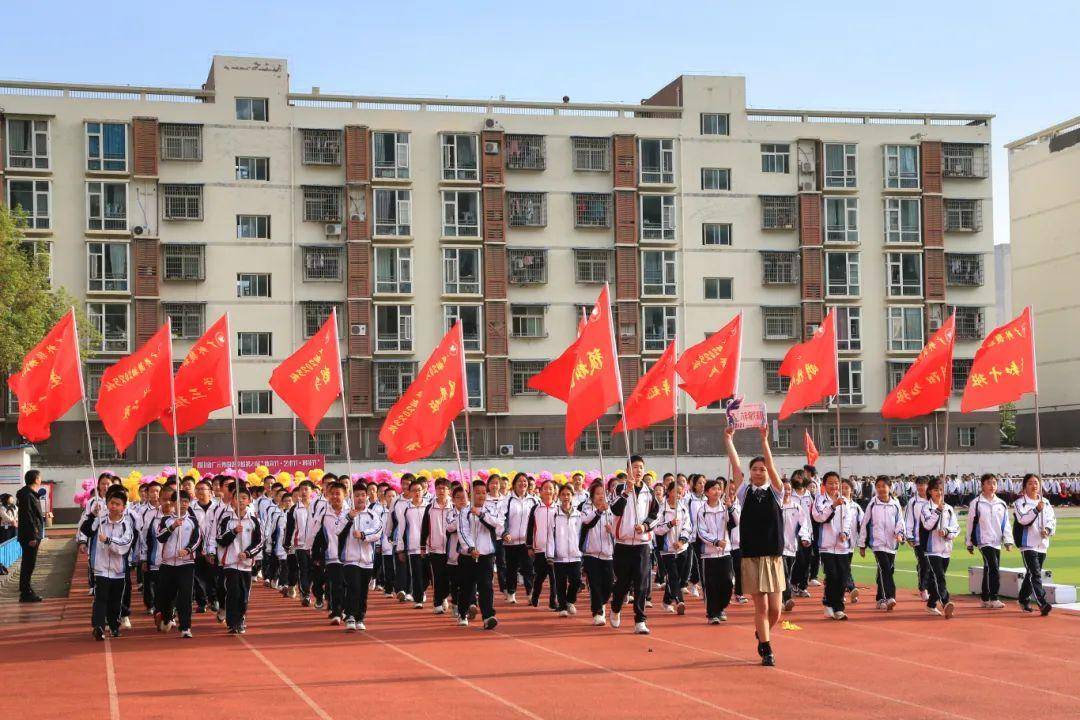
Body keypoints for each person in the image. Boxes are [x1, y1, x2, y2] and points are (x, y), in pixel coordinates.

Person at [724, 425, 785, 666]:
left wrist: (764, 440)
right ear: (750, 473)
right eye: (755, 469)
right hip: (751, 555)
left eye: (762, 469)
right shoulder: (743, 491)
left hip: (774, 556)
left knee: (776, 610)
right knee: (760, 607)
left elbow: (770, 463)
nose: (759, 472)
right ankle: (767, 648)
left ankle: (762, 633)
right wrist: (728, 439)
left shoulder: (778, 492)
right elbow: (735, 464)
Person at [609, 455, 661, 635]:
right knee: (622, 583)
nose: (638, 471)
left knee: (641, 583)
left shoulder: (649, 492)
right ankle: (615, 608)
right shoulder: (619, 489)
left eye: (641, 467)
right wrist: (626, 492)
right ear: (628, 469)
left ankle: (640, 620)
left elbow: (656, 515)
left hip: (642, 544)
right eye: (635, 467)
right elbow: (614, 510)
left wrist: (645, 526)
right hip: (622, 543)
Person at [81, 486, 135, 640]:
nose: (114, 506)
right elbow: (86, 530)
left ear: (123, 507)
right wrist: (92, 514)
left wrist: (109, 541)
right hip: (101, 567)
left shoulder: (126, 525)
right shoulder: (100, 520)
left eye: (118, 504)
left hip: (118, 569)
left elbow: (124, 545)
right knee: (101, 598)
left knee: (116, 600)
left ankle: (114, 625)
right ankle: (98, 626)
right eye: (111, 503)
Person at [456, 479, 503, 630]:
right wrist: (470, 548)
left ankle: (488, 616)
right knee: (466, 587)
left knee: (486, 586)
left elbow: (497, 524)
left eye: (483, 492)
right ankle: (462, 613)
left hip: (486, 555)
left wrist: (481, 514)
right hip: (468, 556)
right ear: (470, 494)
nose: (481, 496)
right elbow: (463, 532)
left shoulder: (489, 509)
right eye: (477, 493)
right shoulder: (464, 511)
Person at [154, 488, 200, 638]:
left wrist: (187, 550)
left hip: (186, 564)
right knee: (167, 596)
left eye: (186, 502)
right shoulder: (165, 520)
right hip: (168, 564)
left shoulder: (193, 521)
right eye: (180, 502)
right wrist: (173, 526)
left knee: (185, 597)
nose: (183, 504)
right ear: (173, 503)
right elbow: (160, 537)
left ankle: (185, 627)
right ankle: (167, 617)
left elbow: (197, 540)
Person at [217, 486, 263, 634]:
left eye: (244, 498)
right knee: (233, 592)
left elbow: (259, 543)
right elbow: (220, 539)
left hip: (246, 564)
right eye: (238, 498)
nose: (241, 501)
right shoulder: (226, 519)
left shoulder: (254, 521)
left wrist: (248, 553)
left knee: (243, 595)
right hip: (230, 562)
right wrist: (233, 532)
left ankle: (241, 618)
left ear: (249, 500)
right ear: (233, 500)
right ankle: (232, 623)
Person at [339, 483, 383, 631]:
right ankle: (350, 616)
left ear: (367, 496)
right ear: (352, 497)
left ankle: (360, 617)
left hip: (367, 560)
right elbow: (337, 530)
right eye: (356, 495)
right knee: (353, 587)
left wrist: (363, 535)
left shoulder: (372, 515)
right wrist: (349, 518)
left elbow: (377, 531)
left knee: (363, 591)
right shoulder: (346, 513)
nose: (360, 498)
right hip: (350, 558)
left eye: (362, 495)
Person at [812, 472, 856, 621]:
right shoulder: (820, 500)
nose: (834, 486)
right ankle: (829, 604)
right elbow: (818, 517)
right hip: (827, 545)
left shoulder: (844, 501)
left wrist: (845, 533)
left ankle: (838, 608)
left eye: (836, 483)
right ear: (824, 485)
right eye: (830, 483)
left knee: (843, 577)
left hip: (842, 546)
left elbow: (848, 520)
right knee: (832, 575)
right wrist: (832, 505)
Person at [857, 476, 905, 611]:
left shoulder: (895, 503)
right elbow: (865, 523)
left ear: (890, 487)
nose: (881, 489)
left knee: (887, 570)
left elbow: (900, 521)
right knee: (885, 568)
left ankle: (879, 598)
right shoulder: (873, 504)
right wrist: (862, 544)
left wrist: (900, 534)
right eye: (878, 486)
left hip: (892, 543)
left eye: (884, 486)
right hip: (877, 543)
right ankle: (888, 597)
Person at [695, 478, 738, 624]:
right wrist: (715, 542)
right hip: (709, 554)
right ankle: (712, 613)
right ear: (707, 492)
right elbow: (701, 532)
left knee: (727, 582)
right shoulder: (702, 511)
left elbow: (736, 522)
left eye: (719, 489)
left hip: (725, 553)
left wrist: (730, 508)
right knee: (711, 584)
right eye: (713, 489)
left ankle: (721, 607)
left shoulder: (725, 508)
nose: (717, 491)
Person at [966, 473, 1012, 610]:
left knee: (990, 567)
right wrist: (969, 542)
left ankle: (985, 598)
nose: (992, 486)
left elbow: (1006, 524)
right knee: (993, 566)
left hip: (996, 541)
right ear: (982, 486)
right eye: (989, 483)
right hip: (983, 540)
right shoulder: (976, 503)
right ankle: (994, 597)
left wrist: (1008, 541)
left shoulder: (1001, 504)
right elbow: (970, 523)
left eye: (994, 483)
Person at [1014, 473, 1055, 615]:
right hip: (1028, 543)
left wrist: (1048, 530)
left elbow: (1052, 520)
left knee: (1031, 574)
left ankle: (1023, 598)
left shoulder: (1046, 502)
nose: (1034, 485)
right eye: (1030, 483)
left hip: (1042, 544)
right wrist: (1037, 509)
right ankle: (1042, 603)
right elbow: (1023, 520)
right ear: (1025, 486)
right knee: (1035, 573)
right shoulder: (1020, 503)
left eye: (1036, 483)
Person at [920, 477, 959, 619]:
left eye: (941, 490)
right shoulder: (926, 508)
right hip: (931, 549)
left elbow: (956, 528)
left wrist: (947, 531)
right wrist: (937, 511)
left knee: (937, 579)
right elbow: (928, 525)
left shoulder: (949, 508)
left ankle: (931, 604)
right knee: (939, 577)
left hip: (946, 549)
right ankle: (946, 602)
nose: (939, 493)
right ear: (930, 491)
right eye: (936, 490)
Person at [654, 480, 692, 616]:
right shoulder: (661, 509)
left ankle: (666, 601)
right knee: (673, 575)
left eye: (680, 492)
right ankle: (679, 601)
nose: (678, 495)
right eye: (675, 491)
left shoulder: (683, 508)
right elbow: (656, 529)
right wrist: (669, 524)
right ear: (668, 492)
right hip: (667, 550)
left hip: (682, 549)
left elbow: (688, 527)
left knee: (678, 577)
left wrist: (682, 541)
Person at [580, 482, 615, 626]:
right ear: (592, 496)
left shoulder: (611, 509)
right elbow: (587, 523)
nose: (601, 496)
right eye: (598, 494)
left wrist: (611, 529)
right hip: (591, 553)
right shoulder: (585, 508)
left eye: (603, 493)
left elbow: (617, 528)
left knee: (607, 586)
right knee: (595, 584)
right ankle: (597, 612)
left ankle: (602, 603)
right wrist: (599, 511)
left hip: (608, 554)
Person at [547, 483, 583, 618]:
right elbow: (550, 535)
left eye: (568, 494)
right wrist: (550, 554)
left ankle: (570, 601)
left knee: (576, 581)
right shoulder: (554, 514)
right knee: (560, 583)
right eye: (563, 494)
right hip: (559, 556)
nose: (566, 497)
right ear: (559, 496)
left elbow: (581, 534)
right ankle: (562, 606)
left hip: (575, 555)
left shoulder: (578, 515)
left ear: (572, 496)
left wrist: (581, 550)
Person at [501, 472, 536, 604]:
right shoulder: (508, 500)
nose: (522, 484)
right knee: (511, 568)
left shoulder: (533, 500)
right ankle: (511, 592)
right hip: (511, 542)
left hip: (526, 542)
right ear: (514, 484)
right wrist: (505, 533)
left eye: (525, 481)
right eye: (519, 481)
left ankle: (530, 593)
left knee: (528, 568)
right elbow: (502, 518)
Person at [420, 478, 454, 614]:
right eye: (439, 488)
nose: (441, 491)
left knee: (449, 577)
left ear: (449, 491)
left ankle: (445, 596)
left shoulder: (453, 507)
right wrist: (423, 546)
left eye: (444, 488)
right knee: (437, 577)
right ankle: (437, 603)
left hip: (451, 548)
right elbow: (424, 528)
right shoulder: (429, 508)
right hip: (435, 548)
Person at [780, 477, 812, 612]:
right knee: (783, 573)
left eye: (788, 489)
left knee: (787, 574)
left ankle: (781, 600)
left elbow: (804, 523)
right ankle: (786, 599)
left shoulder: (796, 507)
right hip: (777, 547)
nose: (786, 492)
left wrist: (805, 537)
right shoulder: (775, 506)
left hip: (792, 547)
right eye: (783, 489)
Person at [525, 481, 558, 610]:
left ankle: (553, 601)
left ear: (554, 491)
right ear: (541, 491)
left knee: (554, 577)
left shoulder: (558, 508)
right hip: (539, 548)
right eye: (545, 489)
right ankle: (535, 597)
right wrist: (529, 546)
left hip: (554, 549)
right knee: (540, 576)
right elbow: (530, 528)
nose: (548, 491)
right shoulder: (535, 508)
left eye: (551, 489)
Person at [16, 469, 48, 602]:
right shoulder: (27, 495)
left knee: (29, 563)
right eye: (40, 477)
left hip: (32, 534)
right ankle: (26, 592)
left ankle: (26, 590)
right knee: (28, 564)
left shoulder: (29, 494)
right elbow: (28, 517)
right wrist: (33, 536)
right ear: (36, 479)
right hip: (30, 536)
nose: (41, 480)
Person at [904, 477, 932, 601]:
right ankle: (923, 588)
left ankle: (931, 587)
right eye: (919, 485)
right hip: (918, 538)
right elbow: (908, 519)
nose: (921, 487)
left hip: (933, 539)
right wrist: (909, 536)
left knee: (932, 564)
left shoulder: (934, 500)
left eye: (924, 485)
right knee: (923, 563)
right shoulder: (913, 502)